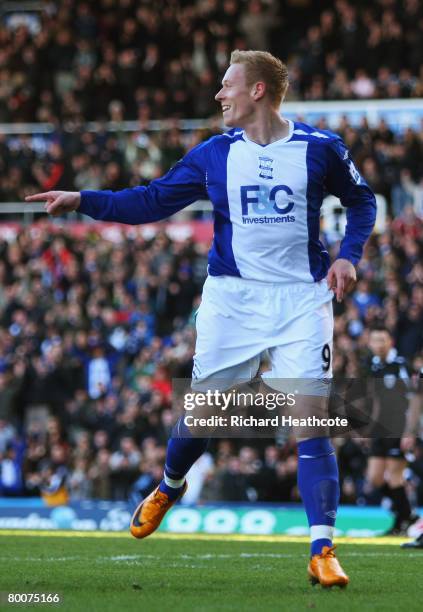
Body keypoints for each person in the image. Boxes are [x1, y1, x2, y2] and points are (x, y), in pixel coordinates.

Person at [26, 50, 377, 588]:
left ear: (257, 91)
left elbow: (362, 200)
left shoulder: (320, 148)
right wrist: (82, 200)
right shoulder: (215, 154)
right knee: (206, 415)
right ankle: (169, 483)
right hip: (232, 300)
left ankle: (322, 547)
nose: (219, 95)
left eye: (227, 85)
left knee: (313, 418)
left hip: (302, 300)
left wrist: (350, 254)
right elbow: (152, 201)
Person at [364, 326, 420, 535]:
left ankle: (402, 521)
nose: (378, 344)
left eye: (382, 340)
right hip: (381, 429)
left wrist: (410, 431)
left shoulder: (401, 365)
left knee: (395, 477)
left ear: (390, 342)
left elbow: (414, 397)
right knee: (374, 478)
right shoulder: (374, 365)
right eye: (374, 340)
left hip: (399, 427)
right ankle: (407, 514)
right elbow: (376, 399)